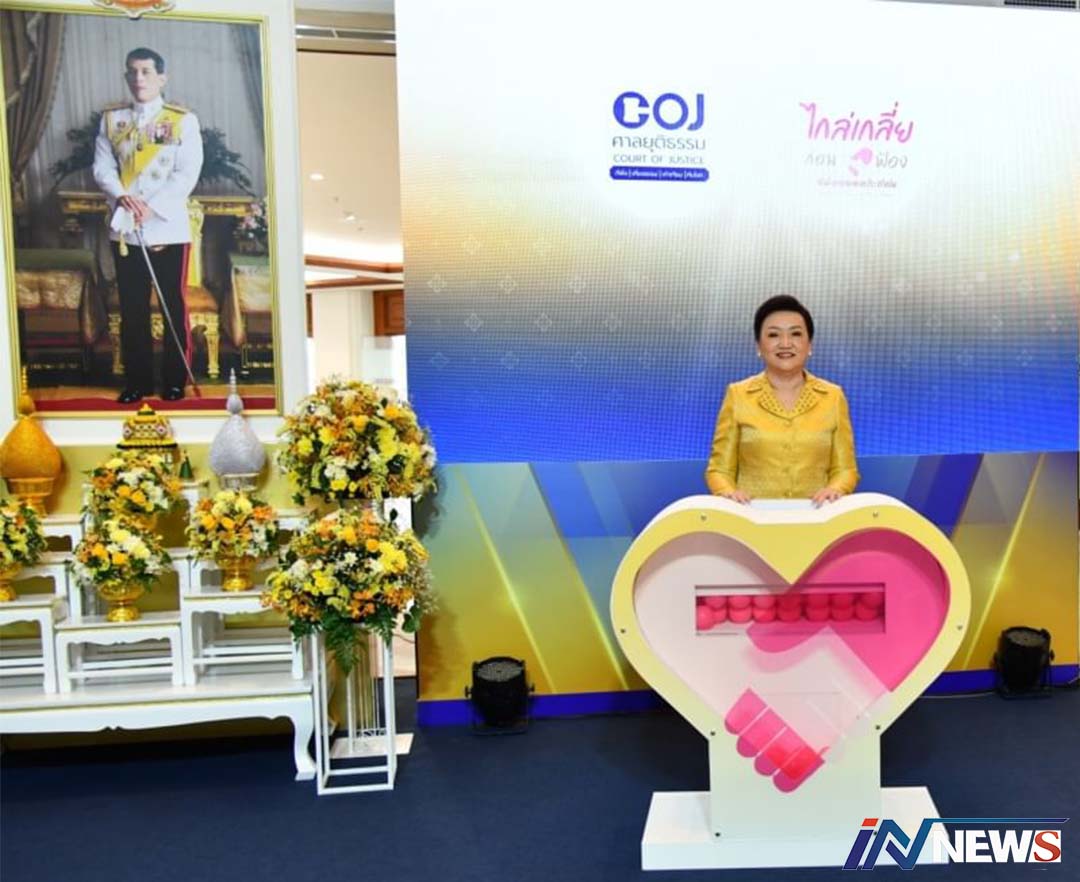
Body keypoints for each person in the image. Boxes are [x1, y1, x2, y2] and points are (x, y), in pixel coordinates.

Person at [93, 47, 203, 403]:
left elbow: (186, 173)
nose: (138, 78)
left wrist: (151, 208)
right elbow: (102, 168)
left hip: (167, 227)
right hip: (126, 228)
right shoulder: (112, 120)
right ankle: (138, 381)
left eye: (146, 71)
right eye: (132, 71)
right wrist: (122, 196)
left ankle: (174, 380)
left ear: (161, 78)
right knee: (133, 309)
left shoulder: (183, 120)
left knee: (172, 306)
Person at [705, 295, 859, 505]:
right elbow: (719, 470)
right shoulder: (738, 395)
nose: (785, 344)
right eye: (773, 335)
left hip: (816, 517)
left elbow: (845, 469)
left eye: (795, 334)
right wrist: (728, 491)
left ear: (809, 344)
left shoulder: (833, 397)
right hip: (751, 516)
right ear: (758, 346)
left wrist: (835, 489)